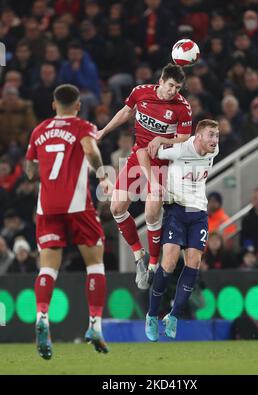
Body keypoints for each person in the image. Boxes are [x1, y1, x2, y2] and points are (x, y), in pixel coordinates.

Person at [25, 84, 112, 360]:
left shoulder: (38, 131)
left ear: (53, 105)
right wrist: (102, 174)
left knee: (48, 268)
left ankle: (42, 317)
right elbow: (90, 151)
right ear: (77, 105)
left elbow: (29, 171)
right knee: (95, 263)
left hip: (47, 206)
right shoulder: (81, 127)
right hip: (77, 206)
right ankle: (95, 325)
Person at [97, 63, 192, 290]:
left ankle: (152, 265)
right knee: (116, 208)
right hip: (137, 156)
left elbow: (184, 138)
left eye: (177, 88)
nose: (173, 91)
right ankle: (140, 256)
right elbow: (126, 112)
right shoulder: (140, 92)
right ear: (161, 81)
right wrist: (103, 131)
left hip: (163, 163)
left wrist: (163, 140)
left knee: (151, 213)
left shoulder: (182, 107)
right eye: (170, 86)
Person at [141, 119, 219, 340]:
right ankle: (152, 315)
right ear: (199, 136)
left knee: (193, 263)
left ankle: (173, 316)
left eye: (217, 136)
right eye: (211, 135)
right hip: (176, 210)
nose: (215, 140)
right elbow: (146, 151)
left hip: (199, 214)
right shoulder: (179, 149)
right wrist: (153, 180)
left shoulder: (214, 150)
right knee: (169, 263)